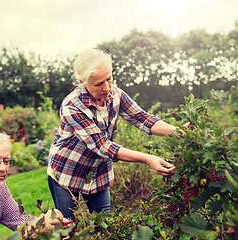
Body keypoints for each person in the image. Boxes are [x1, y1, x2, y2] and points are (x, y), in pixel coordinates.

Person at [47, 48, 187, 222]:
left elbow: (142, 119)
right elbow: (102, 146)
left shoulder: (116, 94)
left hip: (98, 173)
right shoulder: (72, 106)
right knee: (67, 226)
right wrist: (148, 158)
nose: (107, 88)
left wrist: (178, 132)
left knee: (105, 225)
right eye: (99, 84)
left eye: (109, 78)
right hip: (67, 171)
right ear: (82, 81)